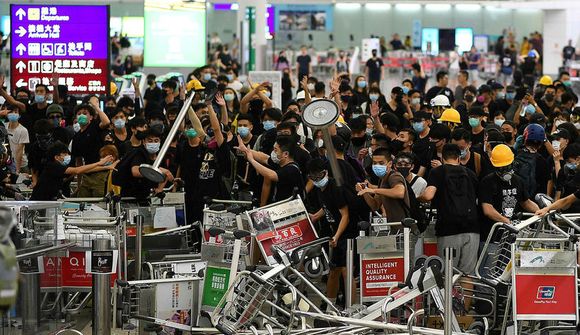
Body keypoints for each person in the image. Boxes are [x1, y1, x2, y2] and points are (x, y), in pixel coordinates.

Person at [307, 158, 367, 308]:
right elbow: (327, 207)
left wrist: (336, 236)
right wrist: (315, 216)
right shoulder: (321, 189)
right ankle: (330, 306)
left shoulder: (335, 188)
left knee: (347, 272)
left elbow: (345, 215)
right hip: (337, 233)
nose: (316, 180)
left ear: (325, 173)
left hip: (349, 233)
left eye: (319, 177)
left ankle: (350, 308)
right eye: (313, 178)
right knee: (333, 271)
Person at [419, 143, 479, 274]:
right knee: (468, 274)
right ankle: (466, 295)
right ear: (458, 158)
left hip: (448, 229)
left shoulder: (437, 172)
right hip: (472, 229)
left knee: (447, 274)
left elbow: (429, 195)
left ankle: (448, 295)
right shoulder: (470, 173)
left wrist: (419, 198)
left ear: (442, 158)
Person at [479, 144, 540, 241]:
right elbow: (488, 210)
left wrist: (541, 211)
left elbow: (526, 202)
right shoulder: (487, 182)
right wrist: (506, 221)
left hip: (511, 236)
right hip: (491, 236)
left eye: (507, 166)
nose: (505, 170)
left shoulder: (518, 181)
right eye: (501, 168)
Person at [30, 141, 113, 200]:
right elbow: (77, 170)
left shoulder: (56, 166)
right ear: (56, 157)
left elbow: (85, 170)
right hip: (40, 201)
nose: (67, 156)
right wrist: (99, 163)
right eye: (65, 154)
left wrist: (106, 167)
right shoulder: (53, 166)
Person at [236, 134, 305, 204]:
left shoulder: (292, 169)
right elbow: (264, 158)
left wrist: (251, 160)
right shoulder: (279, 162)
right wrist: (247, 150)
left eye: (275, 150)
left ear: (286, 154)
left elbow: (270, 175)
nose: (273, 153)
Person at [356, 147, 410, 223]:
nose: (377, 166)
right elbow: (375, 205)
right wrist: (364, 191)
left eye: (381, 163)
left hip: (405, 228)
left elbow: (400, 192)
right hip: (394, 227)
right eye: (374, 163)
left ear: (390, 163)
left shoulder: (394, 176)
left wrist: (373, 190)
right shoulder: (382, 179)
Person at [3, 104, 29, 174]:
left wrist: (17, 169)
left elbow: (19, 151)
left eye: (16, 112)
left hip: (21, 165)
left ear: (19, 115)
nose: (13, 114)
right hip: (7, 163)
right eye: (10, 112)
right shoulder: (3, 127)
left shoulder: (23, 130)